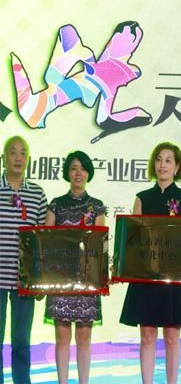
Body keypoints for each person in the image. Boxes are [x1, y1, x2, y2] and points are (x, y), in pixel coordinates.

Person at [120, 142, 181, 384]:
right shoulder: (142, 198)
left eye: (168, 160)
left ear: (177, 167)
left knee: (172, 336)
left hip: (174, 278)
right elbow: (133, 241)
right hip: (146, 277)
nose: (162, 165)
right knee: (147, 335)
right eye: (158, 159)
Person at [44, 151, 106, 384]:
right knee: (61, 336)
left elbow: (98, 246)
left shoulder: (97, 206)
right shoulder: (56, 204)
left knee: (84, 337)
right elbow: (46, 241)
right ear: (67, 173)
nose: (78, 173)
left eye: (82, 168)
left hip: (86, 280)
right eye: (73, 168)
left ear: (88, 172)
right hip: (60, 278)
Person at [0, 136, 47, 384]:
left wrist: (40, 280)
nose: (18, 158)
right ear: (3, 158)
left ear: (28, 159)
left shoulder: (37, 194)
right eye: (13, 152)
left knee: (21, 342)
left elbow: (43, 239)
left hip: (25, 280)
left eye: (23, 153)